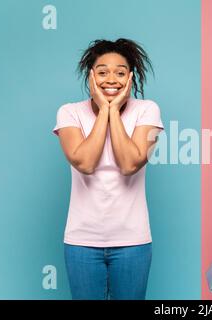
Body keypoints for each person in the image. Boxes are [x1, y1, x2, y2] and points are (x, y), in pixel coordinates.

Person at [52, 38, 163, 300]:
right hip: (81, 242)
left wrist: (113, 112)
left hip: (132, 242)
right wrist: (105, 110)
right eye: (102, 72)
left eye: (120, 72)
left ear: (130, 77)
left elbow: (129, 164)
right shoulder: (69, 113)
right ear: (90, 76)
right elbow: (85, 163)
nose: (110, 79)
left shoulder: (147, 110)